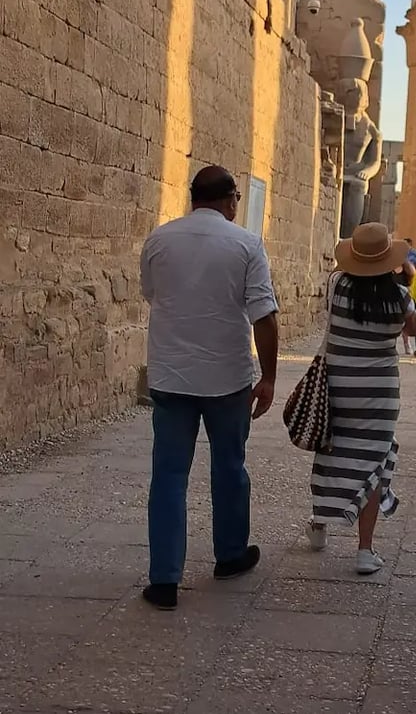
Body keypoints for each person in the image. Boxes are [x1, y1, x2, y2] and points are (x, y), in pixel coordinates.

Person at [139, 166, 279, 611]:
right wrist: (270, 377)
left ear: (193, 197)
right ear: (231, 200)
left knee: (168, 476)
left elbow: (152, 293)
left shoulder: (159, 240)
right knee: (230, 467)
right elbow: (264, 316)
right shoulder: (246, 244)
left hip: (172, 376)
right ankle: (230, 554)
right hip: (227, 379)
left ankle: (164, 579)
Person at [306, 223, 416, 574]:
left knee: (333, 453)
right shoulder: (399, 296)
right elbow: (415, 328)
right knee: (373, 465)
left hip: (339, 386)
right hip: (379, 394)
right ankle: (364, 550)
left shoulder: (336, 285)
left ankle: (319, 525)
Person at [394, 258, 416, 355]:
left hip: (403, 298)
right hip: (391, 298)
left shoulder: (407, 268)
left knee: (404, 324)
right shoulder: (388, 268)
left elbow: (411, 281)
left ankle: (407, 344)